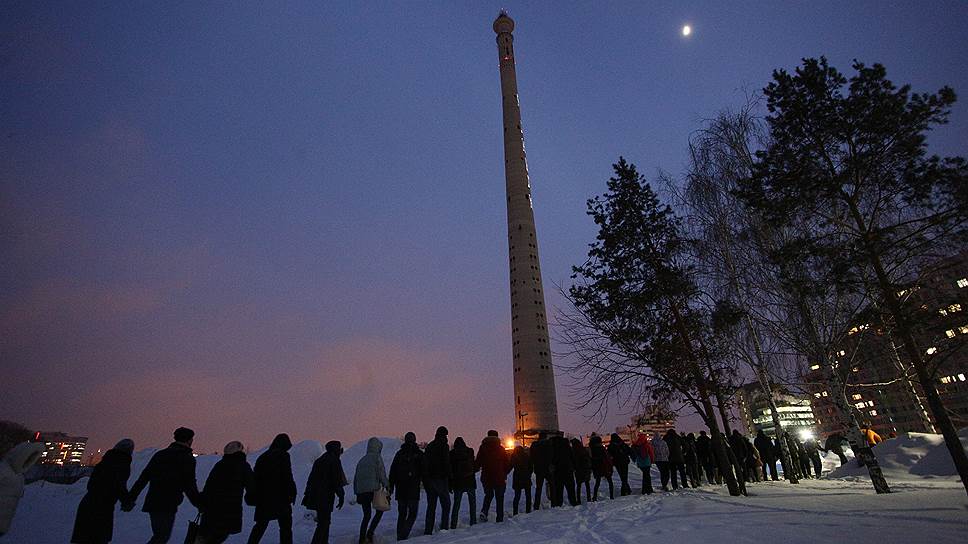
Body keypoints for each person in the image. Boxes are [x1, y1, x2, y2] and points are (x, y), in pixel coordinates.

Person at [128, 427, 202, 544]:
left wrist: (130, 498)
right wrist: (199, 504)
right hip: (168, 503)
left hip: (153, 501)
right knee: (161, 537)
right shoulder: (187, 458)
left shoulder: (160, 455)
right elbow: (189, 485)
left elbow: (143, 478)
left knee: (160, 535)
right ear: (189, 440)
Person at [71, 439, 133, 543]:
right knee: (99, 538)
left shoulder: (104, 462)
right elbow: (119, 485)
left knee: (84, 538)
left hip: (88, 503)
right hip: (103, 507)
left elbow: (91, 484)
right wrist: (126, 501)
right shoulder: (122, 463)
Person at [195, 441, 253, 544]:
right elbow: (252, 486)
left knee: (208, 537)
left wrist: (202, 503)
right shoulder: (243, 466)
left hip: (211, 509)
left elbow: (209, 486)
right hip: (229, 510)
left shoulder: (220, 465)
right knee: (219, 536)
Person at [247, 433, 297, 544]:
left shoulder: (263, 457)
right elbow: (287, 476)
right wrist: (292, 492)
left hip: (264, 497)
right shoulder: (283, 456)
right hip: (280, 497)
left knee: (260, 525)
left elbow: (256, 477)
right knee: (285, 527)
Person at [303, 441, 347, 544]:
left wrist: (307, 494)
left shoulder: (320, 460)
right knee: (324, 523)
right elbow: (336, 480)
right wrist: (341, 495)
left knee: (323, 522)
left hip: (316, 496)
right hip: (325, 496)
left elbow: (311, 479)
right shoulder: (334, 460)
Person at [354, 437, 388, 544]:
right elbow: (381, 474)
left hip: (362, 491)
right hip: (373, 490)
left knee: (366, 515)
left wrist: (357, 491)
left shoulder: (361, 460)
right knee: (380, 511)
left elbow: (356, 478)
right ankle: (370, 533)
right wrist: (387, 485)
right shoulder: (377, 458)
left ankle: (361, 538)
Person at [389, 432, 423, 539]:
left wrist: (391, 487)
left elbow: (392, 472)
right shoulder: (418, 454)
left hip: (401, 489)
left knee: (402, 514)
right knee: (412, 514)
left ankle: (400, 535)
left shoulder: (399, 454)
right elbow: (424, 470)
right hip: (413, 489)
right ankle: (404, 535)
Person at [422, 426, 451, 535]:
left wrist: (426, 479)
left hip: (431, 480)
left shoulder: (430, 446)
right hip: (441, 480)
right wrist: (449, 476)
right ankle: (444, 528)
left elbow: (425, 464)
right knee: (446, 505)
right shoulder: (444, 446)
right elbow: (446, 463)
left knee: (431, 507)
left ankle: (428, 530)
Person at [477, 431, 510, 521]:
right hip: (499, 477)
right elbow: (507, 464)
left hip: (486, 477)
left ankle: (484, 512)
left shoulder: (482, 448)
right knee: (500, 498)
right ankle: (499, 517)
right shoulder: (501, 449)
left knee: (488, 495)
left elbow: (478, 463)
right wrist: (504, 473)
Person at [448, 437, 475, 529]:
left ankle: (453, 524)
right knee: (472, 504)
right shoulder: (470, 451)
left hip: (457, 483)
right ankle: (473, 522)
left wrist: (450, 484)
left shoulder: (451, 454)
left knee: (456, 505)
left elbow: (450, 470)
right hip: (470, 481)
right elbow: (474, 465)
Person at [549, 434, 577, 507]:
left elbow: (551, 459)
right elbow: (572, 457)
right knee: (570, 488)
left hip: (558, 472)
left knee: (559, 489)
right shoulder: (567, 447)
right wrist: (574, 467)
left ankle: (558, 504)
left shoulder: (553, 448)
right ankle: (573, 502)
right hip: (568, 470)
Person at [529, 432, 552, 510]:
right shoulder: (549, 444)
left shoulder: (535, 445)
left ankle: (536, 505)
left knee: (538, 488)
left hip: (539, 469)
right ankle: (554, 503)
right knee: (552, 486)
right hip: (548, 469)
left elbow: (531, 456)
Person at [588, 435, 614, 500]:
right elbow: (607, 458)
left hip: (596, 468)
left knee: (597, 482)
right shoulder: (602, 448)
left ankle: (594, 497)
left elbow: (591, 459)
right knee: (610, 481)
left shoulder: (591, 449)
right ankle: (611, 496)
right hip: (604, 467)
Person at [510, 444, 533, 515]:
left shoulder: (513, 457)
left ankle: (515, 512)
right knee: (528, 495)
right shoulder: (526, 456)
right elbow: (531, 467)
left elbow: (510, 466)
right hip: (526, 477)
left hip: (517, 478)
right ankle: (528, 510)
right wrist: (529, 474)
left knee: (517, 496)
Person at [570, 438, 592, 504]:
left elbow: (573, 461)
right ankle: (589, 498)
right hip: (586, 469)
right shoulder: (584, 450)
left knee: (579, 486)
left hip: (578, 470)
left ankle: (578, 500)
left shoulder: (573, 451)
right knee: (587, 484)